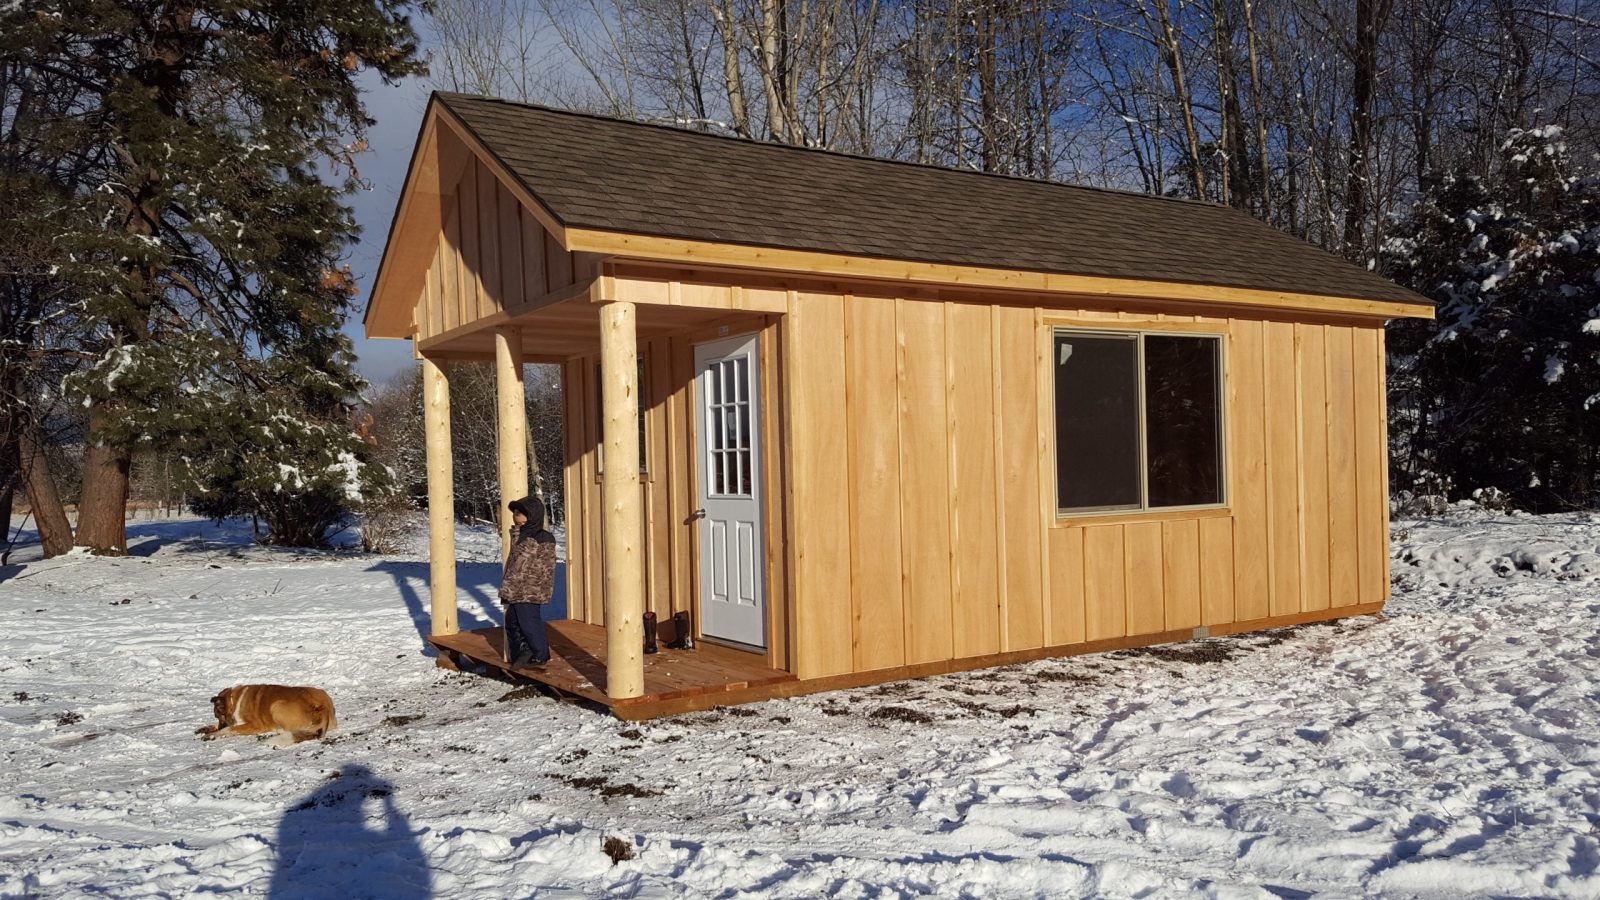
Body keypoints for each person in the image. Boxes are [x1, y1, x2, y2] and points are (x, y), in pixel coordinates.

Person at [501, 496, 557, 667]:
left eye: (519, 513)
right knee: (511, 621)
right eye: (514, 513)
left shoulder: (542, 537)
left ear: (531, 515)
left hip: (530, 588)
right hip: (516, 587)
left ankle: (540, 654)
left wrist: (534, 586)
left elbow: (544, 566)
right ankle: (523, 652)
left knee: (528, 622)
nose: (515, 516)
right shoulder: (519, 535)